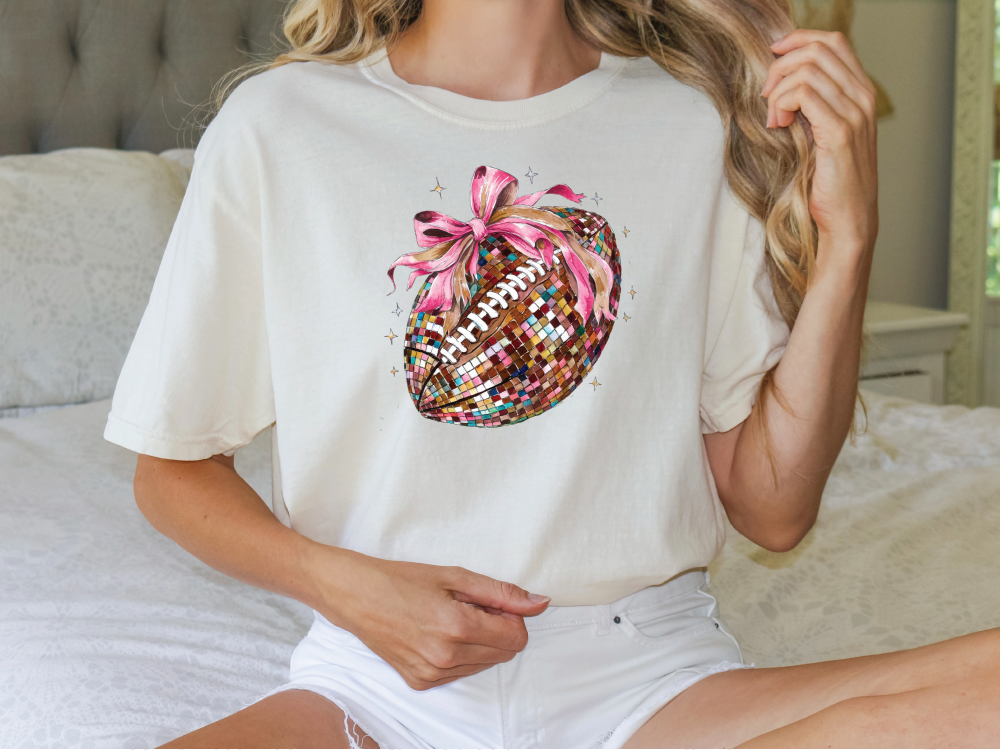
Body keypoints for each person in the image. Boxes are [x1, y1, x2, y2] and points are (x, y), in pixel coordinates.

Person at [104, 0, 1000, 747]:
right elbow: (170, 469)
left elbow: (771, 507)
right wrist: (342, 584)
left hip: (646, 681)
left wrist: (849, 239)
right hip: (375, 687)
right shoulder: (281, 125)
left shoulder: (688, 123)